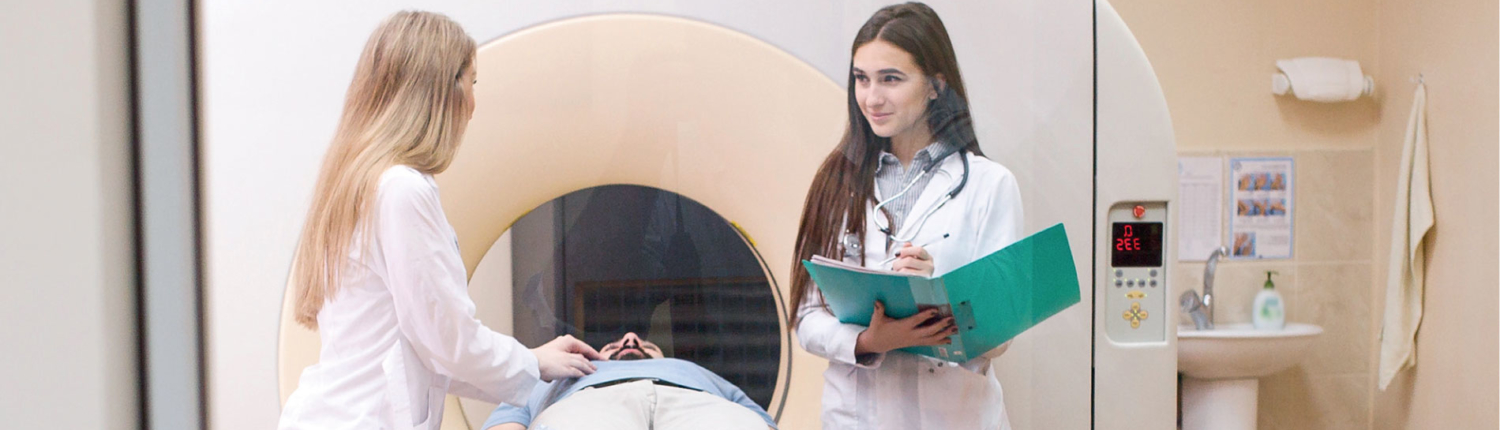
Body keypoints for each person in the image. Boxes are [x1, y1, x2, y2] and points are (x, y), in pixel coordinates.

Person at [278, 11, 602, 430]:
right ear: (442, 91)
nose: (472, 106)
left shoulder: (358, 183)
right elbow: (447, 339)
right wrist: (532, 362)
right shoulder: (401, 191)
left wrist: (534, 366)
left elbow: (428, 353)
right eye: (472, 83)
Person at [788, 3, 1024, 429]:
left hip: (955, 417)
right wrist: (868, 341)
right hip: (857, 417)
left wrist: (940, 283)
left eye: (891, 79)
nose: (872, 98)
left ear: (936, 85)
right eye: (862, 79)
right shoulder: (834, 179)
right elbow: (805, 317)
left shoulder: (990, 185)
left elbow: (1000, 337)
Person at [483, 332, 777, 430]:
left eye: (647, 344)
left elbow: (761, 421)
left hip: (698, 404)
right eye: (612, 345)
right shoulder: (556, 374)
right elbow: (507, 420)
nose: (630, 339)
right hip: (591, 403)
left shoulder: (695, 372)